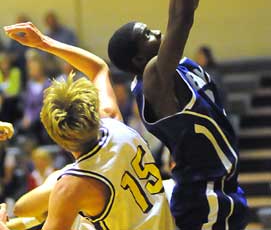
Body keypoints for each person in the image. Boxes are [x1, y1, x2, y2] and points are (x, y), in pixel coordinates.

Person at [108, 0, 248, 229]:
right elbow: (181, 16)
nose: (157, 30)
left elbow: (190, 2)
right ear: (139, 59)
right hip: (203, 198)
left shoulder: (169, 69)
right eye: (147, 34)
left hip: (220, 187)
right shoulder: (155, 79)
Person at [4, 22, 174, 230]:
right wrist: (43, 42)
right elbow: (98, 68)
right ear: (93, 111)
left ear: (59, 141)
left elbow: (23, 208)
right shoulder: (112, 119)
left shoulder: (71, 188)